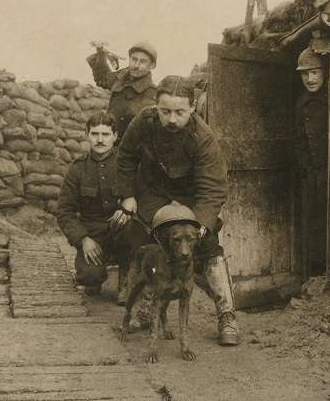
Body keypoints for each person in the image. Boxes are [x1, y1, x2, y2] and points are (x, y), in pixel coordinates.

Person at [111, 75, 240, 346]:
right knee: (143, 239)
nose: (171, 119)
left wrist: (201, 223)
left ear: (192, 107)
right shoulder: (143, 122)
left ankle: (227, 315)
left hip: (191, 197)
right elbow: (125, 157)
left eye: (179, 112)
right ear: (155, 106)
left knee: (208, 246)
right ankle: (144, 308)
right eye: (165, 111)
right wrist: (128, 195)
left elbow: (213, 187)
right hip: (153, 192)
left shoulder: (203, 138)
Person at [56, 113, 130, 298]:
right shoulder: (77, 169)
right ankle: (95, 274)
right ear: (87, 134)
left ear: (115, 136)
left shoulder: (127, 164)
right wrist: (83, 239)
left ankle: (127, 279)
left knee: (132, 231)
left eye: (105, 134)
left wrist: (130, 207)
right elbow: (64, 211)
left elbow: (144, 195)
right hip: (93, 233)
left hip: (122, 228)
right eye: (95, 134)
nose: (100, 140)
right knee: (89, 277)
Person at [294, 48, 329, 279]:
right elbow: (298, 139)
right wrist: (306, 167)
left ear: (324, 72)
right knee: (312, 223)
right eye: (305, 74)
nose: (310, 79)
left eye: (315, 72)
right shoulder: (301, 103)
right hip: (311, 174)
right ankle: (314, 275)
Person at [87, 41, 158, 138]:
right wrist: (100, 53)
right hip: (109, 141)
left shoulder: (153, 95)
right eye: (134, 59)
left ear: (152, 65)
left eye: (142, 61)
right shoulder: (120, 78)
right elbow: (103, 79)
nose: (136, 65)